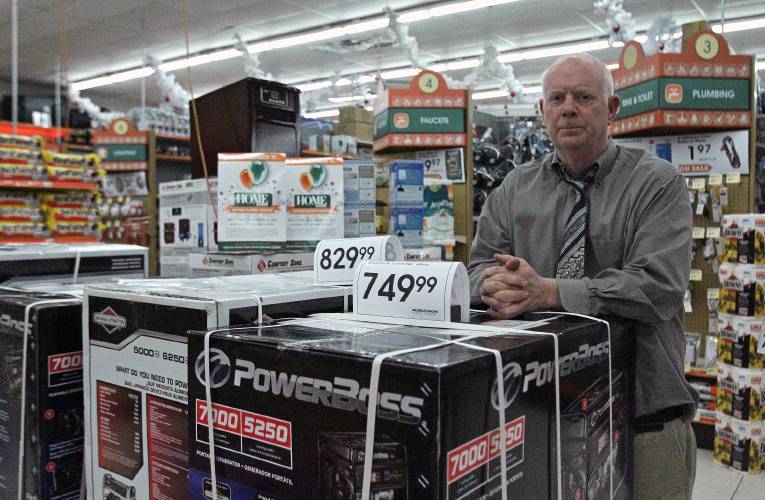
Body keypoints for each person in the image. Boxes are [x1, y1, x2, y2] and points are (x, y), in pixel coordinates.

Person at [468, 53, 699, 499]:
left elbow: (659, 286)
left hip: (644, 415)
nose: (568, 108)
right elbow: (478, 266)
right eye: (556, 98)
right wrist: (491, 285)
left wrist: (550, 292)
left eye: (584, 97)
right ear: (542, 112)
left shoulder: (657, 183)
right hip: (547, 414)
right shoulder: (514, 188)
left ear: (612, 109)